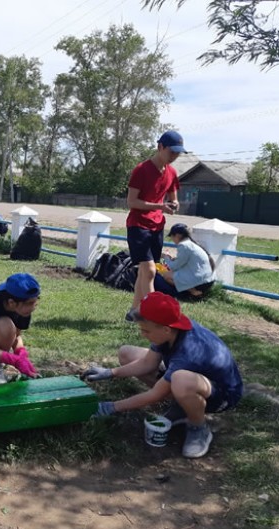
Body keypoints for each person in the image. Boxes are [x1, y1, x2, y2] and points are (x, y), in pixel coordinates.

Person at [85, 292, 243, 459]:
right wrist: (111, 373)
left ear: (166, 329)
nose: (142, 335)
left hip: (222, 396)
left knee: (180, 381)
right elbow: (148, 363)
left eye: (146, 330)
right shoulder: (170, 327)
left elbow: (154, 395)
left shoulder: (189, 352)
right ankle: (182, 406)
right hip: (193, 378)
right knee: (127, 353)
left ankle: (198, 427)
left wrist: (111, 407)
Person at [125, 130, 184, 322]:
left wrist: (174, 205)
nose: (174, 156)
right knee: (149, 270)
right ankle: (150, 315)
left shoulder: (172, 173)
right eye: (172, 152)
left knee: (145, 271)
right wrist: (160, 206)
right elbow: (132, 202)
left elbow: (174, 198)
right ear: (160, 147)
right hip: (138, 225)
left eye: (177, 153)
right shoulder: (141, 170)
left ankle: (135, 310)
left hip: (157, 226)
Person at [154, 223, 215, 299]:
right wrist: (173, 259)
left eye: (172, 236)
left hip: (200, 281)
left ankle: (193, 292)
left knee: (167, 276)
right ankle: (191, 291)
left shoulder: (183, 245)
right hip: (207, 279)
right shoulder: (190, 244)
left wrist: (165, 257)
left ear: (178, 235)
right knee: (171, 274)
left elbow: (173, 267)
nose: (172, 239)